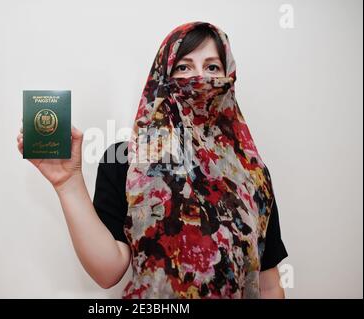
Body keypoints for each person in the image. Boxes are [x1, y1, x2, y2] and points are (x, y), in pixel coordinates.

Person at [16, 21, 288, 299]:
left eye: (212, 67)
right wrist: (68, 183)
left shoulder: (251, 172)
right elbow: (107, 272)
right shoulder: (125, 160)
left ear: (228, 77)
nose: (199, 78)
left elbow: (268, 284)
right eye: (183, 67)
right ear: (163, 78)